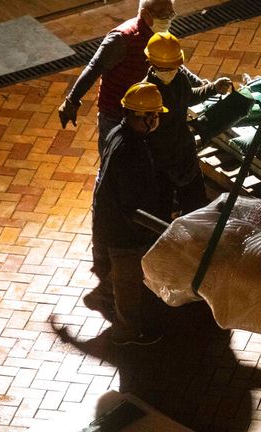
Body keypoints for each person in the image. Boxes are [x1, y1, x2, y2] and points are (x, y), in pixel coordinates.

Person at [91, 82, 173, 345]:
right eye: (155, 115)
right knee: (128, 282)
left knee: (122, 272)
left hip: (114, 224)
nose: (157, 119)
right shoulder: (131, 152)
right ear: (144, 117)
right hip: (124, 231)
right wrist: (162, 228)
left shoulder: (119, 133)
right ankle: (126, 331)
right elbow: (131, 205)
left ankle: (106, 293)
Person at [57, 0, 177, 158]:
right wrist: (72, 101)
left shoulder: (161, 35)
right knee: (111, 164)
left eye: (171, 14)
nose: (168, 19)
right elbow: (94, 68)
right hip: (116, 114)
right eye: (163, 15)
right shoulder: (122, 38)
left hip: (144, 114)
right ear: (146, 14)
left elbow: (172, 63)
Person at [142, 32, 231, 217]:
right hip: (160, 162)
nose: (170, 71)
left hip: (184, 153)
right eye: (165, 68)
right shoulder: (146, 94)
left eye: (173, 67)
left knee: (196, 205)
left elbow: (189, 97)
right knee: (162, 209)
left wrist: (213, 88)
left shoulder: (179, 78)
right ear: (151, 64)